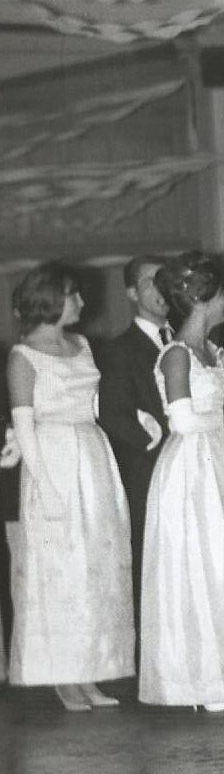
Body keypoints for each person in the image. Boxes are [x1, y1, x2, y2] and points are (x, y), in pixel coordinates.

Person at [6, 263, 133, 710]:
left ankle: (90, 671)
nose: (80, 301)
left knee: (95, 567)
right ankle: (62, 675)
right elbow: (25, 427)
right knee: (60, 569)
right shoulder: (23, 357)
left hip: (92, 457)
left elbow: (93, 406)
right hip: (53, 461)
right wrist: (46, 489)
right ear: (50, 301)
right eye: (72, 294)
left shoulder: (82, 345)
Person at [138, 252, 224, 711]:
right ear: (201, 300)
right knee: (203, 563)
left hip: (220, 458)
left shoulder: (215, 351)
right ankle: (205, 678)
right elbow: (182, 420)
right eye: (222, 291)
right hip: (194, 466)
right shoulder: (177, 355)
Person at [97, 254, 171, 622]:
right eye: (149, 281)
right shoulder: (118, 349)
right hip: (148, 476)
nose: (161, 288)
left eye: (165, 278)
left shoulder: (188, 338)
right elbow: (113, 415)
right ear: (131, 293)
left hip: (195, 473)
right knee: (152, 571)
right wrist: (155, 445)